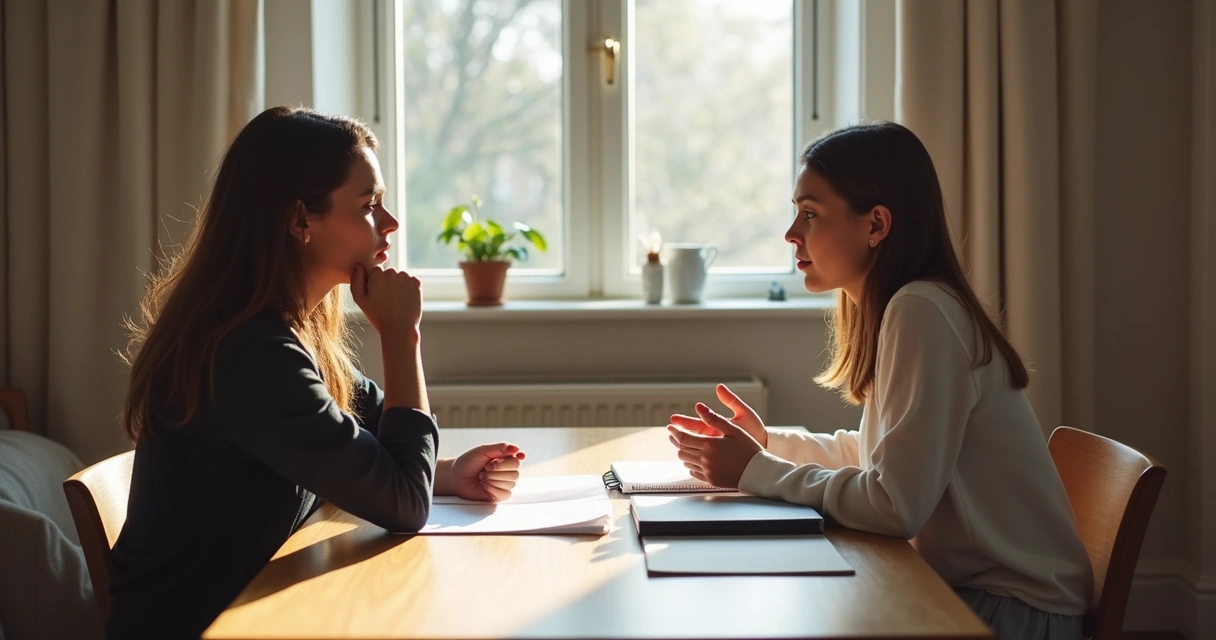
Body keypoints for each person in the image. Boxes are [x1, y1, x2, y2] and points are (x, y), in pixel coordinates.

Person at [108, 106, 523, 638]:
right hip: (206, 626)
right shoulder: (250, 354)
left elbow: (364, 439)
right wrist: (402, 336)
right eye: (370, 205)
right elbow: (404, 504)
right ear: (301, 219)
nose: (391, 222)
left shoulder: (287, 330)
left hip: (256, 611)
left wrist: (444, 473)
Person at [667, 122, 1091, 640]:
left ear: (876, 225)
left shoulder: (922, 310)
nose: (791, 233)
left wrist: (755, 470)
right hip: (988, 595)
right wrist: (768, 445)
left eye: (810, 213)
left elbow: (894, 505)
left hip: (1015, 611)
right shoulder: (913, 306)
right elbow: (880, 459)